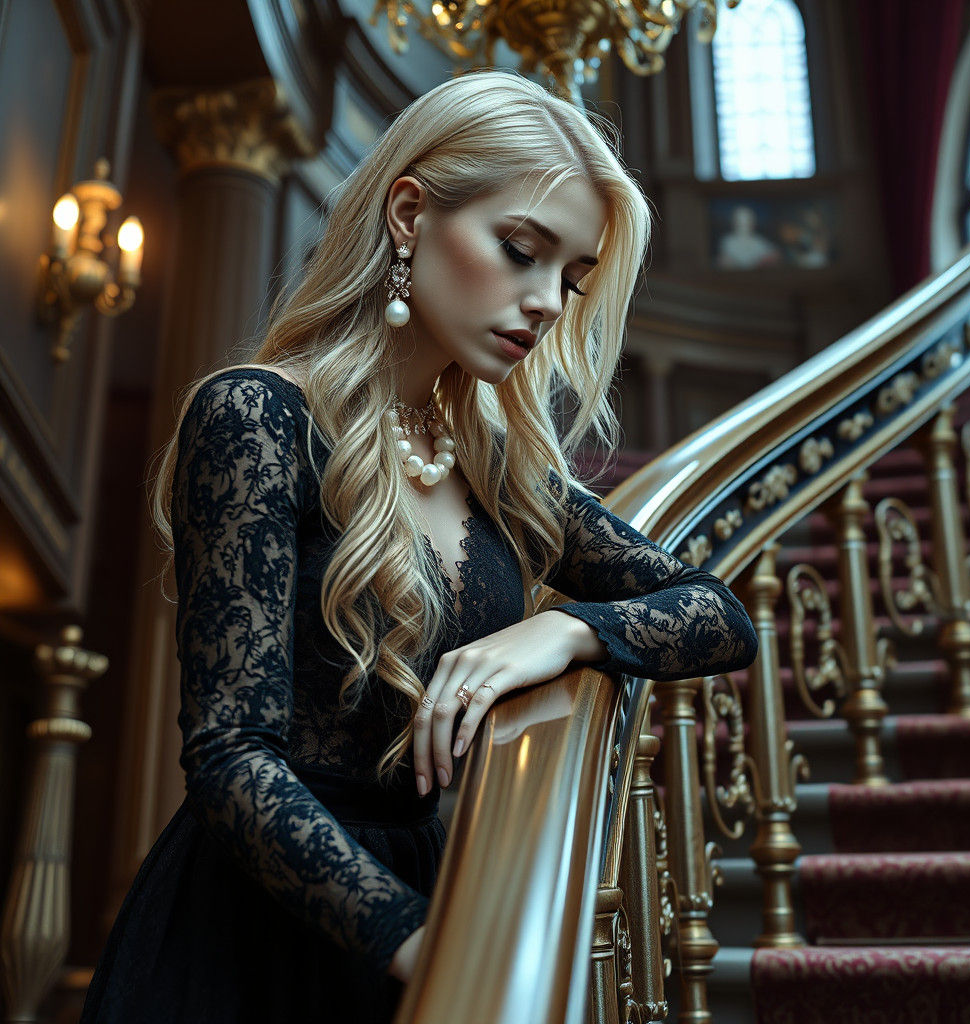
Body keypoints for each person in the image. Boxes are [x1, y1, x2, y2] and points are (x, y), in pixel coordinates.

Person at [80, 70, 758, 1023]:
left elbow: (722, 617)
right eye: (520, 251)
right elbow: (232, 757)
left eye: (571, 277)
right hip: (257, 935)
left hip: (434, 892)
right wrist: (422, 942)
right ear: (409, 213)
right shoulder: (258, 418)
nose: (548, 303)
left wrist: (564, 635)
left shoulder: (498, 467)